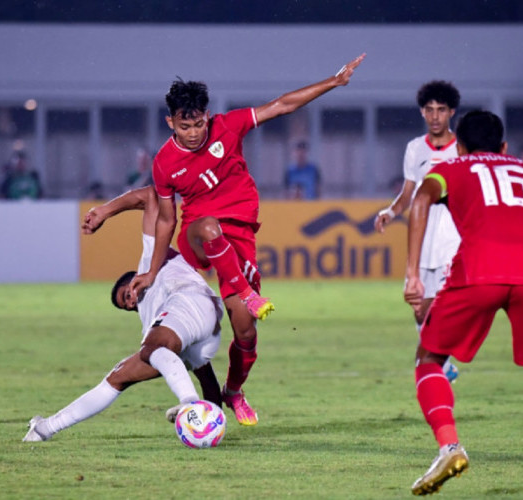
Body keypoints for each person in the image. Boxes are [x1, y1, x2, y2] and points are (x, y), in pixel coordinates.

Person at [129, 53, 366, 426]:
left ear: (207, 116)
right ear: (170, 122)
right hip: (197, 234)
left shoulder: (229, 125)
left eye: (198, 124)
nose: (193, 133)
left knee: (245, 329)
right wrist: (152, 270)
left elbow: (282, 105)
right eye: (184, 126)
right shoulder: (163, 162)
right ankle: (248, 295)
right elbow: (166, 220)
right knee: (208, 226)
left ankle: (233, 391)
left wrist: (332, 82)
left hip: (238, 236)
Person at [23, 185, 224, 441]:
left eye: (124, 294)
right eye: (126, 306)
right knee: (118, 376)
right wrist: (213, 417)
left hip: (191, 299)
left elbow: (152, 195)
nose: (129, 302)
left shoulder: (151, 260)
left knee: (151, 349)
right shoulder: (153, 320)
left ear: (132, 278)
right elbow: (204, 373)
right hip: (205, 333)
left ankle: (189, 402)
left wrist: (105, 211)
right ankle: (45, 428)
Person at [404, 110, 523, 495]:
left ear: (459, 146)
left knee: (429, 358)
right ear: (504, 147)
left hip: (480, 273)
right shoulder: (520, 167)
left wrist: (413, 274)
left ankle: (450, 448)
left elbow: (421, 201)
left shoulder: (453, 168)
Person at [374, 80, 462, 383]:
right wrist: (390, 211)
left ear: (451, 112)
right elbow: (409, 192)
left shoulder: (462, 148)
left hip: (454, 237)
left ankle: (437, 361)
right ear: (422, 112)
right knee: (420, 311)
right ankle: (443, 364)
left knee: (445, 304)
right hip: (423, 237)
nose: (435, 116)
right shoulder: (415, 148)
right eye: (429, 110)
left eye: (441, 110)